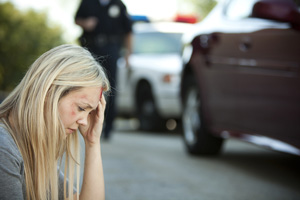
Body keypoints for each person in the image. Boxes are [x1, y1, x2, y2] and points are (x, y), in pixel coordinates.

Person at [0, 44, 110, 200]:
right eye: (81, 108)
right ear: (49, 91)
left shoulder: (34, 149)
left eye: (90, 112)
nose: (85, 122)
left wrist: (92, 143)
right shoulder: (4, 148)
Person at [75, 0, 133, 140]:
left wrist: (128, 53)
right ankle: (85, 121)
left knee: (112, 87)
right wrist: (85, 23)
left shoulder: (118, 4)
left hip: (111, 48)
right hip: (91, 47)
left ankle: (108, 128)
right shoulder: (88, 2)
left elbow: (128, 31)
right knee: (88, 85)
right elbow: (77, 19)